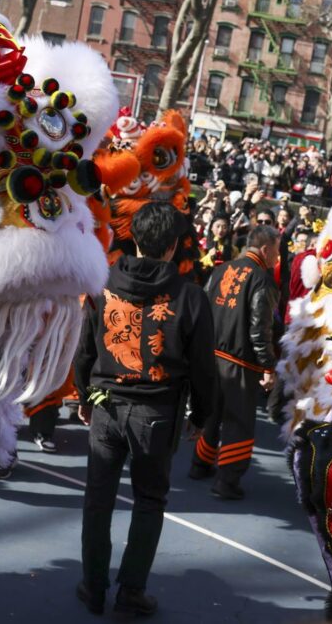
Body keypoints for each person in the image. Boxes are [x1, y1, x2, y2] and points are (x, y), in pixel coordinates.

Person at [75, 202, 216, 616]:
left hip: (105, 405)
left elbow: (83, 350)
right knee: (149, 501)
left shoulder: (103, 283)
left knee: (98, 500)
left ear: (133, 237)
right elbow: (205, 367)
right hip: (156, 411)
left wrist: (85, 395)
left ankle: (94, 585)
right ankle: (130, 591)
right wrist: (203, 416)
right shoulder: (189, 297)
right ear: (173, 247)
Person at [190, 224, 279, 499]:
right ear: (265, 249)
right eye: (276, 251)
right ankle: (227, 480)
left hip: (210, 354)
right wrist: (268, 365)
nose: (278, 257)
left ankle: (200, 464)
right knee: (238, 422)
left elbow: (202, 310)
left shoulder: (220, 269)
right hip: (240, 361)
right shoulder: (261, 279)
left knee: (211, 413)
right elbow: (259, 329)